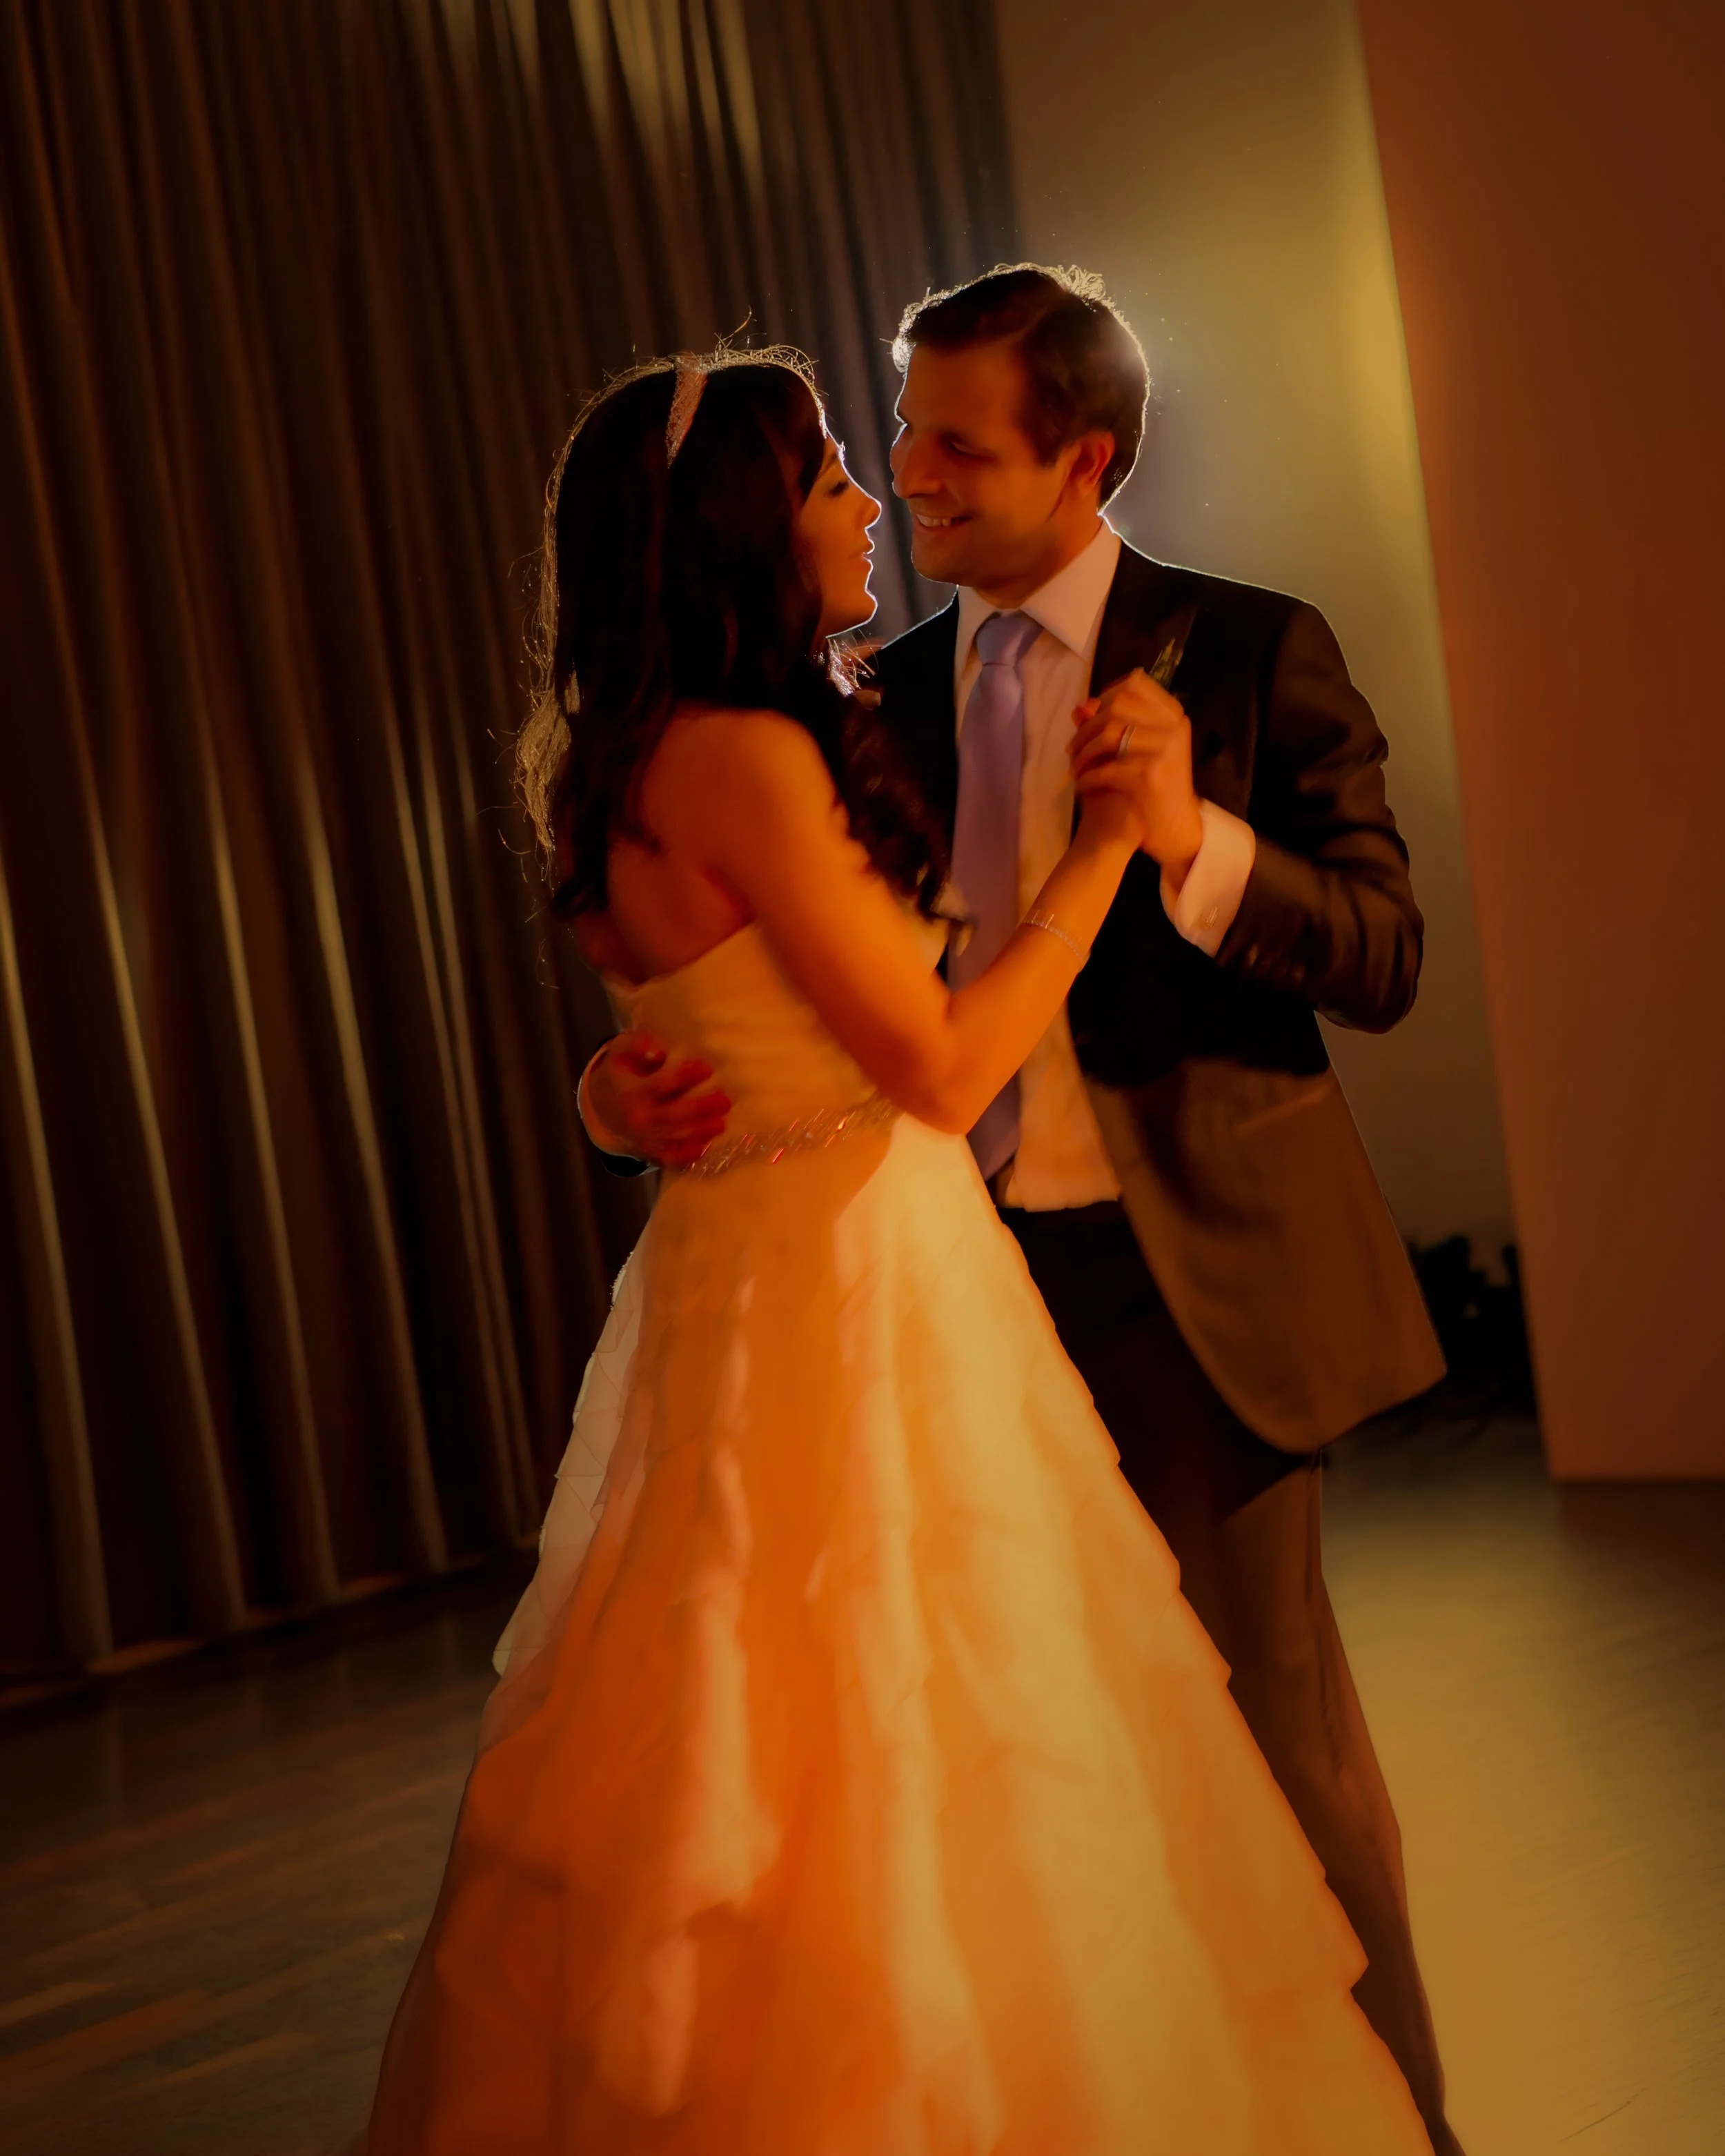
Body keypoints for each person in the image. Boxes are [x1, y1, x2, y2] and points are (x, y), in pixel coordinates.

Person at [364, 345, 1432, 2153]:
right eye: (837, 476)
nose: (880, 495)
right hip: (872, 1287)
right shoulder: (763, 750)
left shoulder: (628, 759)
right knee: (917, 1736)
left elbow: (697, 1020)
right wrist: (1107, 846)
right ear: (740, 525)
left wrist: (612, 1099)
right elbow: (933, 1065)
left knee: (773, 1731)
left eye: (920, 451)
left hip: (845, 1279)